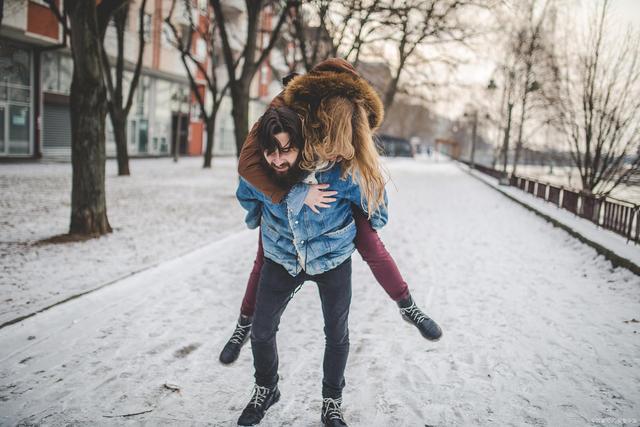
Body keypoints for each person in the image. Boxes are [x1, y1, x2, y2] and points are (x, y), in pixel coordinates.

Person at [219, 58, 443, 366]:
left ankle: (407, 305)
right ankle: (244, 323)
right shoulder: (287, 112)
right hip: (285, 205)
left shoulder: (351, 118)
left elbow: (372, 188)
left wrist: (365, 211)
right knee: (265, 255)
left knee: (371, 242)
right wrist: (283, 197)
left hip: (336, 211)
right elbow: (248, 167)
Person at [235, 105, 386, 426]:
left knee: (336, 333)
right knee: (261, 332)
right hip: (282, 258)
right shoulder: (258, 174)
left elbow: (375, 202)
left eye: (285, 150)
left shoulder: (334, 171)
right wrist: (265, 210)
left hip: (332, 260)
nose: (277, 159)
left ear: (301, 146)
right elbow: (247, 198)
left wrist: (371, 212)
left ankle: (332, 401)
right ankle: (267, 387)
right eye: (270, 152)